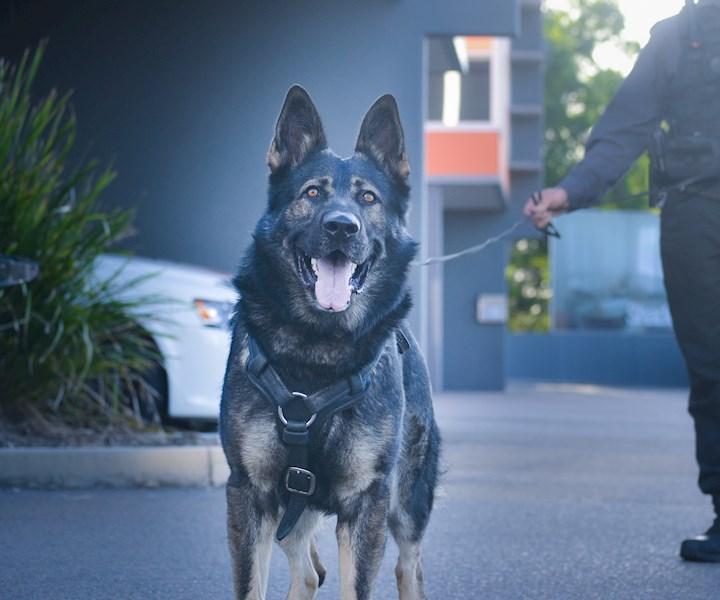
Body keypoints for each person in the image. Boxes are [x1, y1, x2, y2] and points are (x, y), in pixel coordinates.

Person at [524, 0, 720, 563]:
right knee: (711, 368)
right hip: (695, 213)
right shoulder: (675, 39)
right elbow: (622, 129)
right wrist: (570, 192)